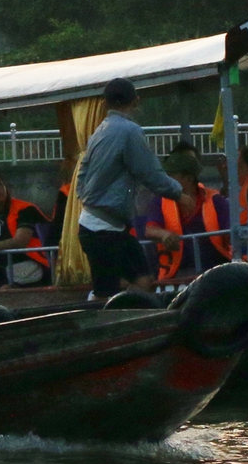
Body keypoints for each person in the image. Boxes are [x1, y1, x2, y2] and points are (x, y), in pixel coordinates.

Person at [73, 77, 183, 300]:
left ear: (105, 103)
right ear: (136, 101)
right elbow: (149, 172)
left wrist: (88, 198)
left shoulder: (99, 132)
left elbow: (82, 173)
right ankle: (107, 319)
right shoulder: (130, 131)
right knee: (108, 290)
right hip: (101, 229)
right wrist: (178, 193)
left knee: (142, 279)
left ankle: (127, 311)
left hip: (107, 225)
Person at [136, 146, 231, 280]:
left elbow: (230, 234)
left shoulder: (217, 201)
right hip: (175, 273)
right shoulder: (159, 201)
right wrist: (165, 235)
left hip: (216, 270)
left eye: (171, 176)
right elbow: (150, 230)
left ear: (188, 178)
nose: (166, 181)